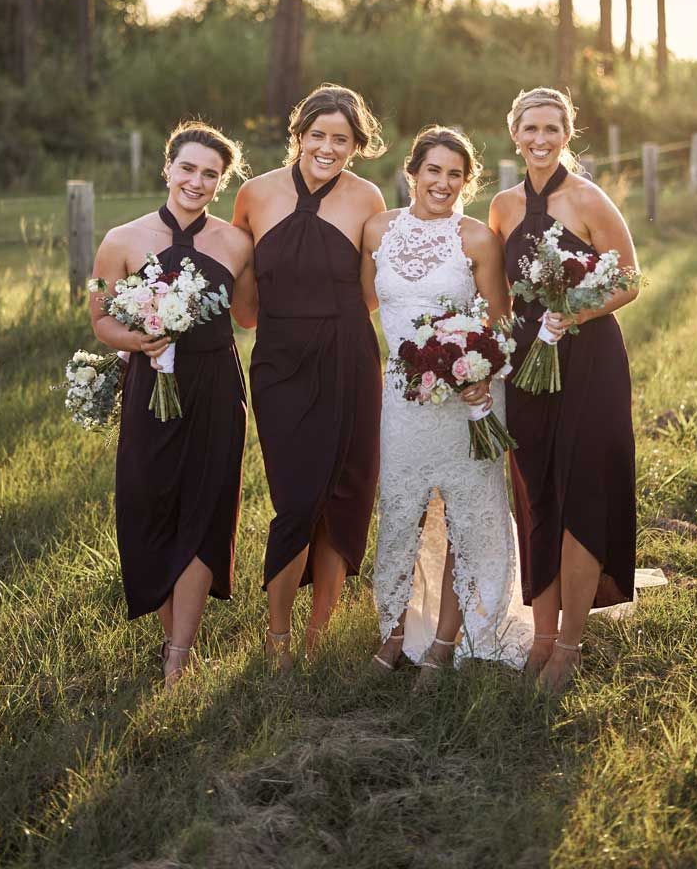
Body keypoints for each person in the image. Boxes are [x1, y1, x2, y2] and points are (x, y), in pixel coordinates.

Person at [362, 126, 532, 681]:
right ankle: (391, 635)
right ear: (411, 172)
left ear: (468, 181)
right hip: (402, 397)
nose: (443, 183)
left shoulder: (478, 238)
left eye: (455, 174)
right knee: (403, 513)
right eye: (433, 170)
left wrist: (482, 372)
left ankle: (443, 643)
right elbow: (367, 302)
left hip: (467, 396)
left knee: (467, 513)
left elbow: (500, 320)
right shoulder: (377, 230)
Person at [90, 120, 257, 687]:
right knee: (150, 506)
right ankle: (172, 637)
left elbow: (250, 315)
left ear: (222, 182)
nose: (197, 181)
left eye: (211, 174)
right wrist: (142, 338)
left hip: (215, 387)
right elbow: (100, 320)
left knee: (206, 508)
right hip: (150, 388)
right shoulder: (121, 240)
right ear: (167, 168)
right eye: (187, 168)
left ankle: (179, 654)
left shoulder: (237, 244)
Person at [490, 87, 639, 693]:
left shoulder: (588, 199)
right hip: (528, 361)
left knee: (579, 491)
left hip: (588, 359)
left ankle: (570, 647)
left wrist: (570, 315)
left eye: (552, 128)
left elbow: (628, 280)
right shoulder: (501, 206)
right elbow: (499, 299)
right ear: (514, 133)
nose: (541, 139)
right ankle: (541, 636)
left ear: (568, 133)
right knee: (536, 494)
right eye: (530, 128)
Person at [232, 84, 386, 671]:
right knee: (296, 496)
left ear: (356, 146)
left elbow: (370, 294)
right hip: (278, 363)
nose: (327, 147)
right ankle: (277, 642)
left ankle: (318, 635)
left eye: (340, 139)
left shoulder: (367, 198)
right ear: (298, 135)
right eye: (317, 135)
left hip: (348, 355)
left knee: (343, 495)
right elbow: (245, 299)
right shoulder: (254, 194)